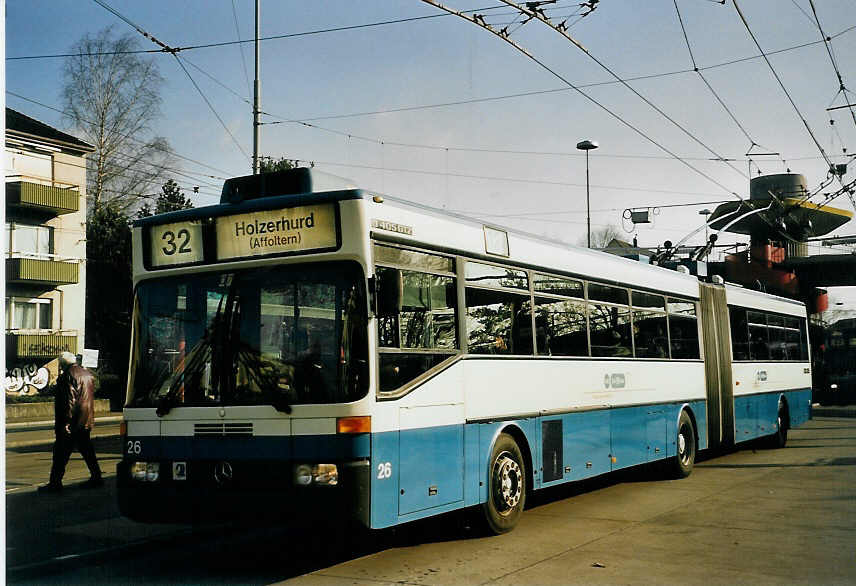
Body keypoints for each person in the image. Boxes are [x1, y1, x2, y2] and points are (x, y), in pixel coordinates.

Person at [38, 352, 103, 492]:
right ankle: (97, 477)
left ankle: (55, 483)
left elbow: (69, 401)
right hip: (85, 418)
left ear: (62, 363)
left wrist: (66, 422)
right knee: (87, 450)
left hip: (72, 422)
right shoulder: (87, 374)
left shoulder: (67, 375)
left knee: (60, 453)